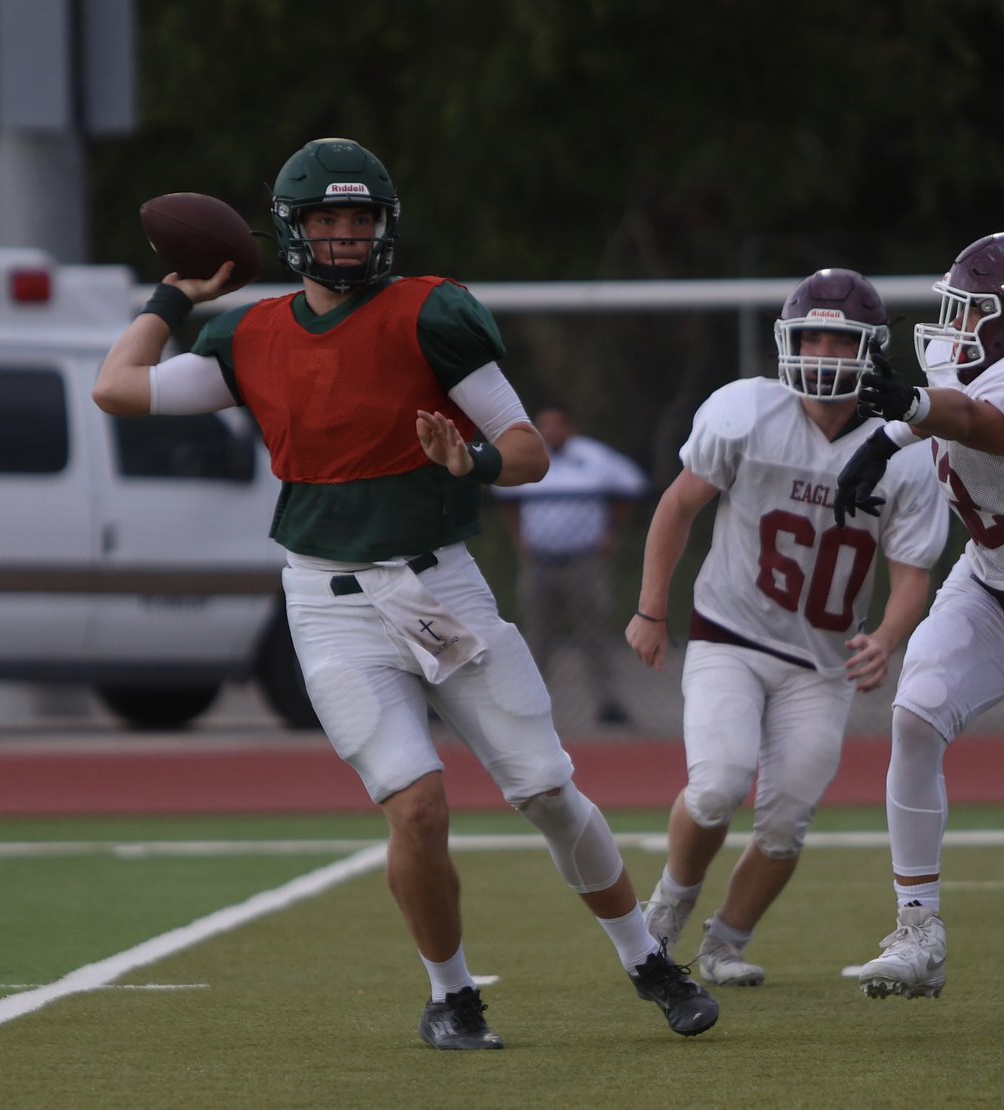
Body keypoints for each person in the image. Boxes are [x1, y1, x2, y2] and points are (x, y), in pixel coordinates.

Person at [92, 137, 718, 1046]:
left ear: (384, 225)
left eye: (361, 217)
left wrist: (475, 461)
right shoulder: (251, 334)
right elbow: (116, 388)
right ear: (294, 229)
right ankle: (451, 996)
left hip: (439, 588)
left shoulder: (431, 314)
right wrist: (174, 296)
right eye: (328, 219)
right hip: (330, 605)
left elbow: (529, 452)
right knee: (416, 805)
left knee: (546, 789)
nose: (347, 235)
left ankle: (645, 958)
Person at [625, 268, 948, 987]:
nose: (825, 353)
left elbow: (912, 575)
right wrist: (651, 608)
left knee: (786, 822)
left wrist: (886, 638)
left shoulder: (907, 449)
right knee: (717, 786)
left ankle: (725, 944)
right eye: (813, 338)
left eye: (841, 340)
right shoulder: (746, 411)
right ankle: (669, 906)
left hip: (822, 662)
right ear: (789, 342)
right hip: (730, 635)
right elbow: (678, 507)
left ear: (871, 350)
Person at [835, 231, 1004, 1000]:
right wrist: (890, 436)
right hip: (990, 585)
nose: (954, 326)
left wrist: (909, 413)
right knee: (916, 716)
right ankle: (918, 927)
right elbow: (957, 409)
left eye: (970, 311)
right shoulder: (973, 377)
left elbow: (978, 421)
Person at [494, 405, 649, 725]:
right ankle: (530, 705)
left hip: (583, 562)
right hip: (539, 562)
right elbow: (503, 495)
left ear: (569, 428)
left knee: (595, 634)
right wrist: (519, 536)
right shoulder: (528, 456)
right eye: (544, 425)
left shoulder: (594, 457)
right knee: (536, 635)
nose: (551, 431)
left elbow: (632, 486)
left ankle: (608, 703)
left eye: (557, 425)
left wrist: (611, 530)